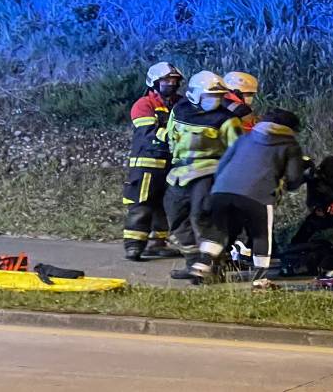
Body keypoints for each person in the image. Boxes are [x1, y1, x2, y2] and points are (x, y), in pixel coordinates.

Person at [191, 109, 307, 279]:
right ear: (290, 128)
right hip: (258, 196)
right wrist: (305, 174)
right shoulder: (289, 145)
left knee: (217, 229)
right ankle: (260, 278)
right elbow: (293, 179)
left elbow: (223, 164)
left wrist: (221, 186)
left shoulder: (244, 138)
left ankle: (202, 265)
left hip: (221, 191)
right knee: (261, 234)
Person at [163, 71, 244, 279]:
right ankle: (193, 264)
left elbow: (238, 151)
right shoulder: (180, 110)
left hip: (209, 173)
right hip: (179, 174)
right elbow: (171, 136)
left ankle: (213, 268)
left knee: (204, 218)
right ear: (195, 94)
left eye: (218, 97)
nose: (215, 101)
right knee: (176, 219)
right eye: (210, 96)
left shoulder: (227, 120)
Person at [122, 62, 184, 261]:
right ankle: (134, 245)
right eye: (166, 80)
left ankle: (158, 243)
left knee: (165, 205)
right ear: (154, 82)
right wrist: (178, 137)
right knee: (142, 204)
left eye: (174, 80)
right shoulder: (144, 104)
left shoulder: (180, 103)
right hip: (147, 164)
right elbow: (148, 133)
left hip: (171, 163)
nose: (171, 84)